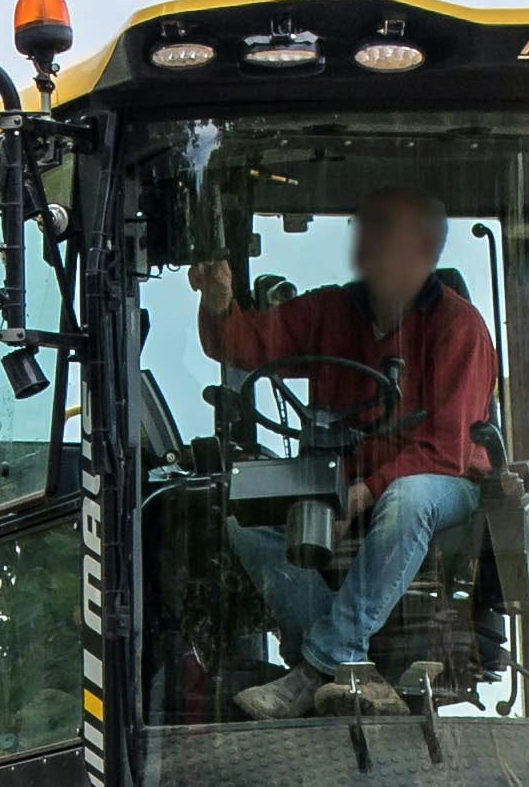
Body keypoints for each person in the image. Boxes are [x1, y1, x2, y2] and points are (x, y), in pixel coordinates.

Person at [197, 190, 496, 714]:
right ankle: (343, 669)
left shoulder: (459, 327)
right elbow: (244, 343)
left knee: (408, 499)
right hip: (347, 482)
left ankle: (319, 664)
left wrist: (363, 493)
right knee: (246, 514)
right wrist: (219, 298)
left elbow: (448, 449)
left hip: (447, 487)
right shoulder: (332, 310)